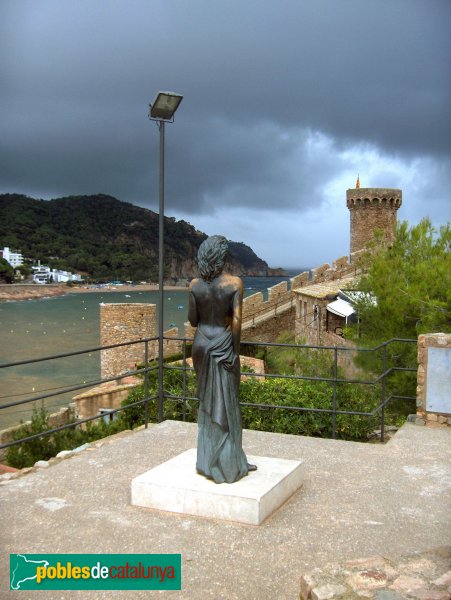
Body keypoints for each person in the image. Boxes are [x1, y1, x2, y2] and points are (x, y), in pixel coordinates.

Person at [188, 235, 257, 484]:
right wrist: (234, 351)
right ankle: (230, 462)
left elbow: (193, 320)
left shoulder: (194, 285)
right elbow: (237, 321)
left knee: (208, 401)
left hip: (201, 344)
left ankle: (208, 461)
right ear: (222, 257)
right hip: (224, 344)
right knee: (228, 402)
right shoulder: (235, 283)